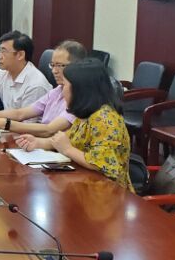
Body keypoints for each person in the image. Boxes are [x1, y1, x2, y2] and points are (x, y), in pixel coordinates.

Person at [14, 58, 133, 191]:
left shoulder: (105, 120)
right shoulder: (86, 114)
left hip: (108, 193)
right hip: (84, 184)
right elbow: (64, 140)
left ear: (80, 90)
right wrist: (37, 142)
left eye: (65, 86)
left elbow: (101, 164)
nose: (62, 91)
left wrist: (68, 149)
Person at [0, 40, 87, 135]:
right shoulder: (57, 91)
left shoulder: (81, 98)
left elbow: (49, 130)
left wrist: (4, 123)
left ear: (77, 66)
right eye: (53, 65)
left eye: (60, 65)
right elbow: (20, 113)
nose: (54, 71)